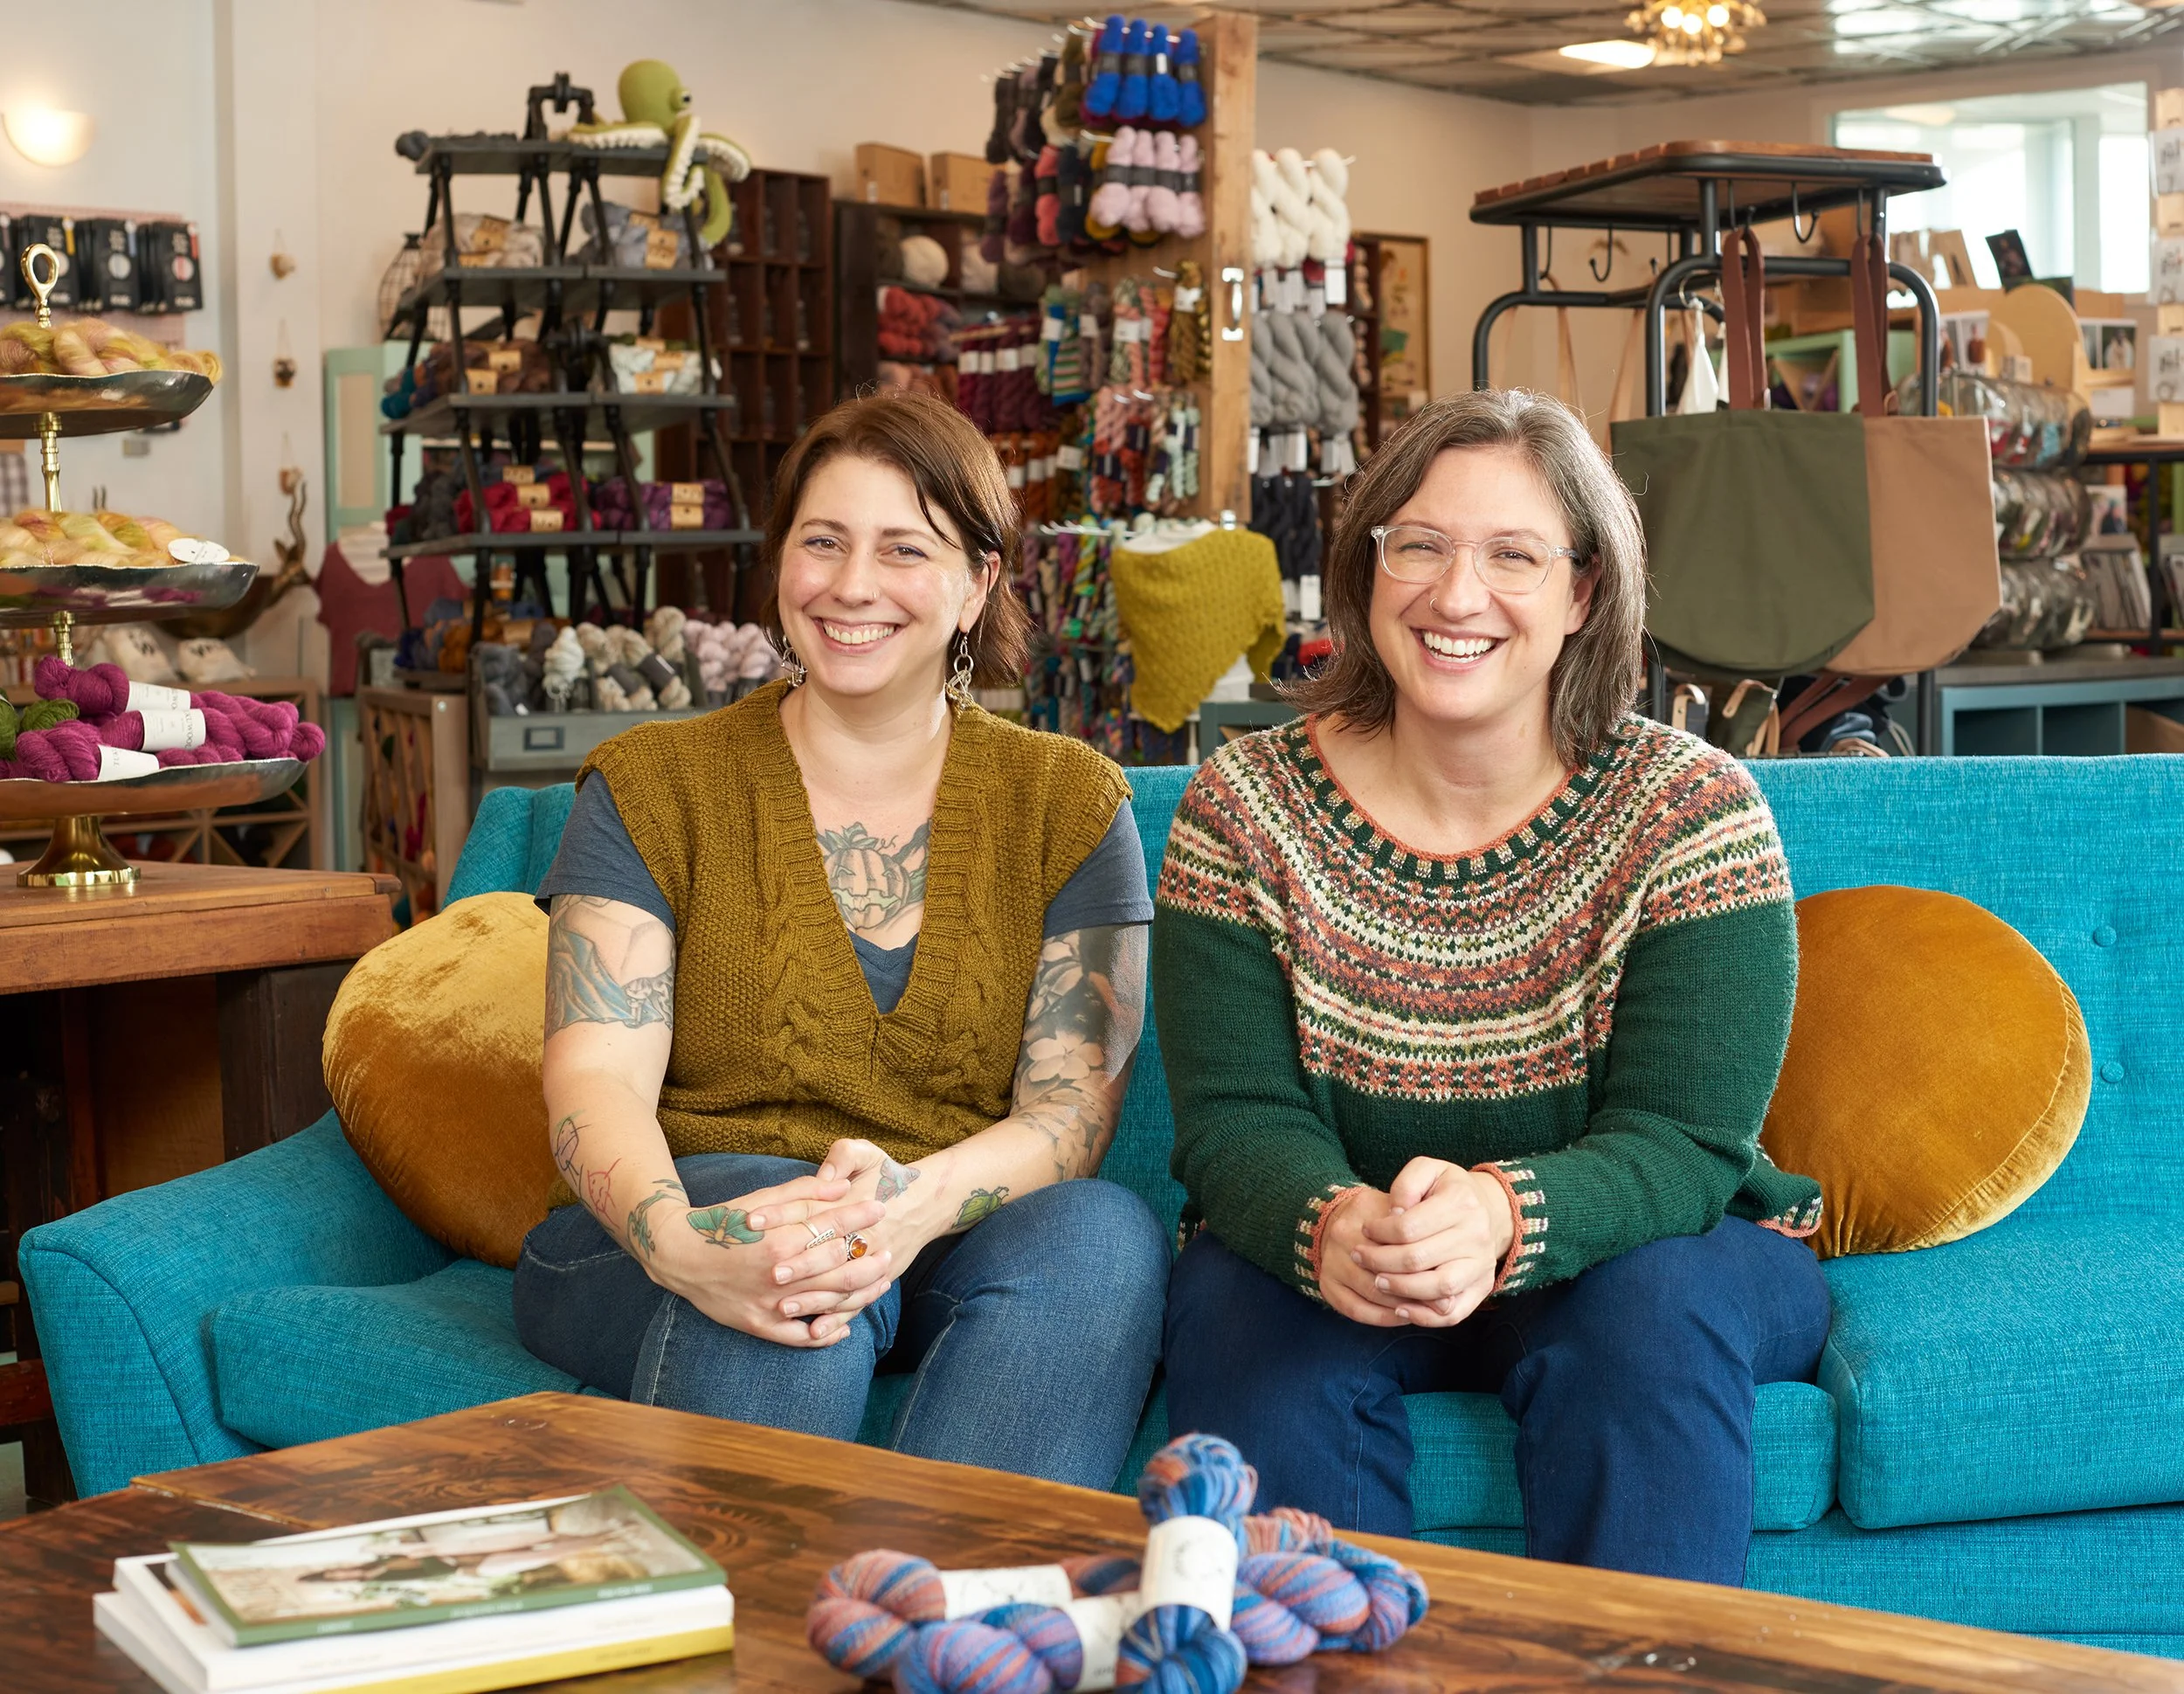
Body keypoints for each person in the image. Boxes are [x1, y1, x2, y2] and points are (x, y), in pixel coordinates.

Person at [1153, 388, 1830, 1584]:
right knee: (1233, 1304)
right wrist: (1333, 1222)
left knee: (1646, 1313)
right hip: (1355, 1242)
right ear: (1367, 569)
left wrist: (1503, 1214)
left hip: (1652, 1247)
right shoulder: (1243, 806)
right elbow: (1234, 1120)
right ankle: (1330, 1656)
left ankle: (1635, 1672)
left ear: (1583, 593)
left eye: (1513, 555)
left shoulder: (1693, 811)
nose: (1456, 596)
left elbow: (1683, 1141)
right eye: (1419, 545)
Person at [513, 390, 1167, 1489]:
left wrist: (902, 1209)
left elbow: (1068, 1117)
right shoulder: (654, 786)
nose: (851, 584)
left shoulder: (1068, 804)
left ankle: (943, 1592)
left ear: (977, 584)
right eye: (822, 541)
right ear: (781, 563)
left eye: (904, 548)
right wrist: (683, 1242)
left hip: (943, 1225)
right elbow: (596, 1076)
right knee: (790, 1239)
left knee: (1104, 1234)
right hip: (673, 1224)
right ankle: (768, 1588)